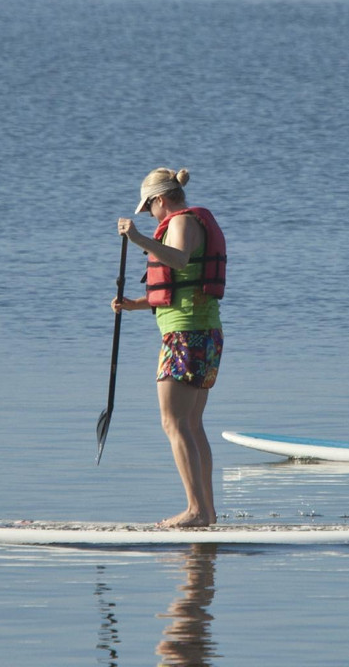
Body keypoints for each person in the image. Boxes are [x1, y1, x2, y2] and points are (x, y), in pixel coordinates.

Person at [111, 167, 227, 526]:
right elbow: (184, 283)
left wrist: (138, 238)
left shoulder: (180, 223)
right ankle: (206, 512)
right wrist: (135, 304)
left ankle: (195, 510)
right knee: (191, 423)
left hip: (185, 336)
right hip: (204, 332)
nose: (149, 214)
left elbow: (177, 259)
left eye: (149, 208)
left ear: (160, 199)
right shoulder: (189, 222)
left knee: (173, 422)